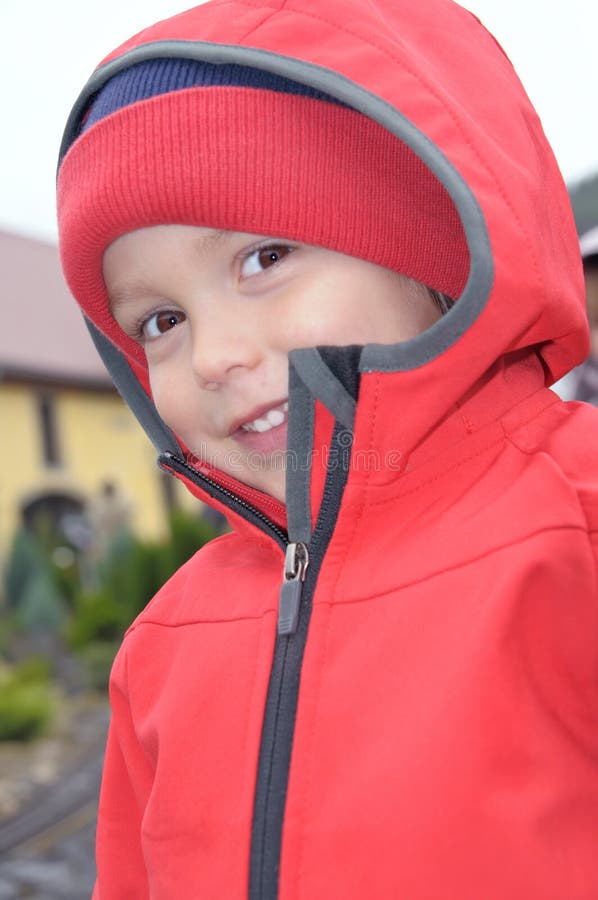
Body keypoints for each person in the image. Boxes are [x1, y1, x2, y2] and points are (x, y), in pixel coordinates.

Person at [55, 0, 598, 897]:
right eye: (161, 321)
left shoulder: (576, 530)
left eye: (264, 258)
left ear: (432, 248)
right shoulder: (161, 647)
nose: (217, 354)